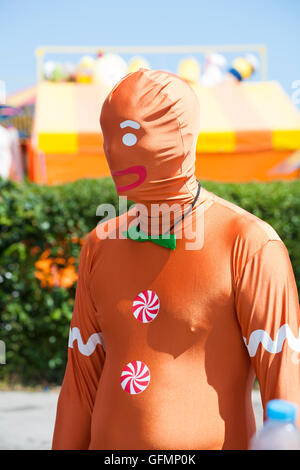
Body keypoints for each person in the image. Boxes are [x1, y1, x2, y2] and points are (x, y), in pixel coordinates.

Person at [52, 69, 300, 450]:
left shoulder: (248, 243)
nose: (114, 151)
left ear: (179, 134)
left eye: (132, 135)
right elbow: (79, 385)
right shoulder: (100, 243)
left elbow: (284, 393)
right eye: (109, 135)